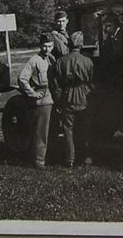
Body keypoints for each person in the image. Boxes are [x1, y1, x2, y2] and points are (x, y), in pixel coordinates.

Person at [50, 31, 95, 168]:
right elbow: (90, 80)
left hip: (67, 95)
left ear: (69, 44)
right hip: (84, 95)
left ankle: (70, 159)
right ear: (81, 45)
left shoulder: (60, 61)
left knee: (68, 129)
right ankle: (86, 158)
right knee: (84, 129)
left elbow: (56, 84)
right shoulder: (88, 61)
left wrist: (59, 100)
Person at [18, 33, 56, 169]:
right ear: (40, 46)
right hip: (42, 101)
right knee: (41, 132)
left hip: (53, 97)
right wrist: (32, 93)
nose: (47, 49)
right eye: (44, 46)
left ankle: (49, 157)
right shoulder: (34, 60)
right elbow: (22, 78)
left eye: (50, 46)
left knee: (51, 130)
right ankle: (39, 161)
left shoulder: (52, 59)